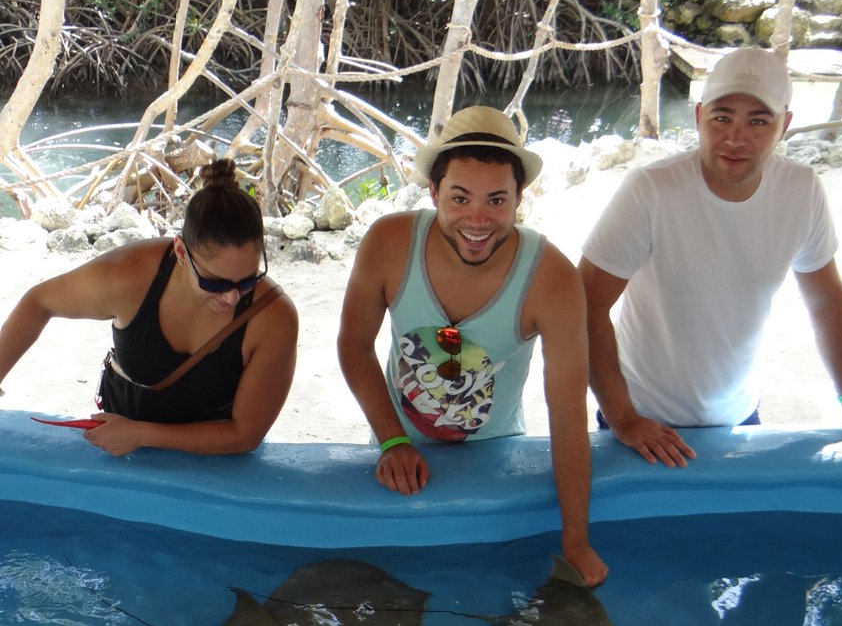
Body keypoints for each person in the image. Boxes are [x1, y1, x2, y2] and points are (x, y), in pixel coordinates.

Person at [579, 45, 842, 474]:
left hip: (739, 415)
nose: (735, 139)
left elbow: (826, 297)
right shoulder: (650, 190)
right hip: (645, 420)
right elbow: (586, 304)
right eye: (722, 117)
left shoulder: (801, 191)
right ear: (698, 116)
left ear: (785, 126)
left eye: (758, 121)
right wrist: (622, 417)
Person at [337, 105, 608, 587]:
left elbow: (568, 414)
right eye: (460, 198)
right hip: (395, 447)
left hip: (496, 453)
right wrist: (392, 440)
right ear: (434, 192)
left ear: (519, 199)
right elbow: (354, 345)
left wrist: (576, 542)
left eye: (496, 201)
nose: (477, 219)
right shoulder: (389, 242)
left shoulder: (553, 279)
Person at [0, 158, 298, 456]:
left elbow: (245, 434)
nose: (232, 298)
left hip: (211, 459)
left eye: (248, 280)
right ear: (181, 252)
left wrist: (141, 434)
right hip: (121, 439)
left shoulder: (273, 317)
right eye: (215, 283)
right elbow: (39, 302)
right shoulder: (129, 276)